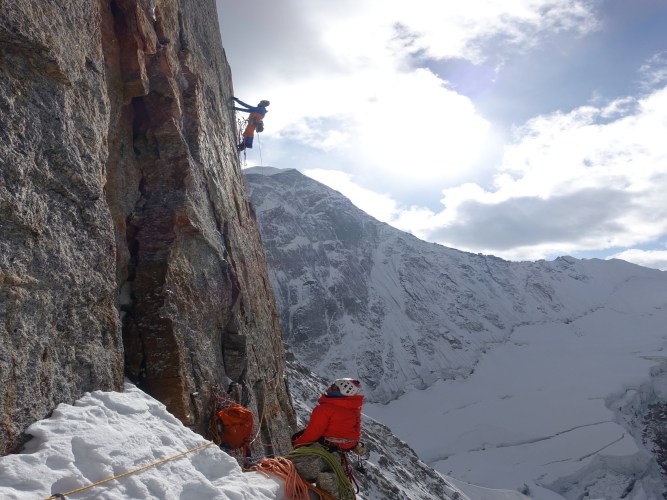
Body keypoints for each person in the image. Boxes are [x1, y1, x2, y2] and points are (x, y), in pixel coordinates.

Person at [289, 378, 364, 498]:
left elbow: (313, 433)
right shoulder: (353, 409)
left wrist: (297, 443)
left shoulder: (324, 409)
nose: (330, 388)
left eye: (334, 387)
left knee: (295, 446)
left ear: (342, 391)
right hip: (343, 448)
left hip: (327, 447)